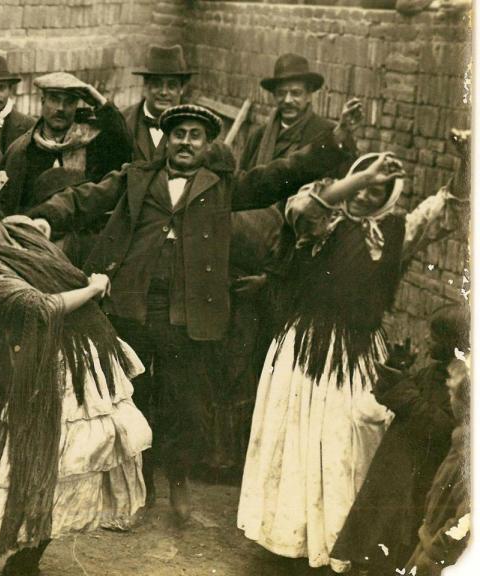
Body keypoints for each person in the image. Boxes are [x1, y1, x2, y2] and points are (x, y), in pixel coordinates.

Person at [26, 103, 357, 521]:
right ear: (167, 140)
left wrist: (337, 139)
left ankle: (178, 480)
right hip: (133, 305)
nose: (185, 141)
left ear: (206, 145)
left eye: (195, 136)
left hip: (190, 312)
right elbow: (84, 198)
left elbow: (278, 175)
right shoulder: (137, 178)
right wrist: (46, 218)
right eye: (178, 133)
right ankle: (139, 487)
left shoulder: (223, 188)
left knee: (185, 404)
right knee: (133, 399)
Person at [237, 146, 468, 572]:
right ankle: (288, 539)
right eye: (362, 183)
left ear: (390, 195)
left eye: (379, 188)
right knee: (297, 440)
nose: (366, 195)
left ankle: (335, 544)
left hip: (357, 353)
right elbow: (303, 206)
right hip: (305, 352)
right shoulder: (323, 222)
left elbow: (448, 206)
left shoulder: (399, 231)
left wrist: (465, 159)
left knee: (345, 443)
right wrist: (362, 178)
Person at [0, 178, 151, 576]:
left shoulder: (23, 229)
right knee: (49, 459)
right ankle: (24, 556)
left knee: (86, 453)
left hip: (85, 348)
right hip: (48, 364)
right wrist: (94, 288)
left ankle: (42, 544)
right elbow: (39, 307)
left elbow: (65, 219)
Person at [207, 54, 362, 481]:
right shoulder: (262, 132)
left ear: (312, 95)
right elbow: (255, 184)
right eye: (282, 93)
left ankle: (264, 463)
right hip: (247, 252)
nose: (289, 100)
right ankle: (231, 454)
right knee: (236, 348)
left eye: (297, 92)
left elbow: (334, 203)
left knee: (273, 359)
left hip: (291, 260)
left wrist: (277, 270)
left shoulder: (327, 138)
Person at [331, 304, 467, 575]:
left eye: (435, 337)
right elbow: (393, 395)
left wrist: (405, 393)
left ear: (454, 344)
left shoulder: (463, 386)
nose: (427, 339)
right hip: (394, 470)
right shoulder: (432, 372)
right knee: (372, 534)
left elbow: (442, 427)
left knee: (396, 546)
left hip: (418, 479)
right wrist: (395, 370)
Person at [0, 71, 131, 217]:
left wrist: (102, 104)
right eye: (54, 99)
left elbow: (127, 149)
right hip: (33, 231)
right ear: (43, 101)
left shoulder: (94, 143)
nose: (61, 108)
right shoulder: (21, 149)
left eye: (69, 101)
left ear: (76, 105)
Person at [405, 353, 471, 575]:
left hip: (439, 560)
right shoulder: (460, 441)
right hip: (429, 544)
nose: (449, 400)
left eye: (452, 394)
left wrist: (431, 557)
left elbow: (465, 521)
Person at [122, 45, 195, 163]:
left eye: (171, 86)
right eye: (157, 84)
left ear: (181, 89)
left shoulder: (197, 124)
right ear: (145, 86)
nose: (164, 92)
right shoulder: (123, 121)